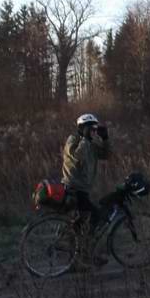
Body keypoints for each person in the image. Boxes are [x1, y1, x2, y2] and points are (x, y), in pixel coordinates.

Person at [62, 113, 111, 266]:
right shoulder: (73, 140)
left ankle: (81, 254)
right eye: (91, 128)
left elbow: (106, 155)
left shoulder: (89, 143)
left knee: (83, 220)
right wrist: (85, 138)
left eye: (95, 128)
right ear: (82, 128)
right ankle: (83, 252)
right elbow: (77, 157)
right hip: (73, 188)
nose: (93, 131)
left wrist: (105, 139)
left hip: (83, 189)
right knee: (96, 215)